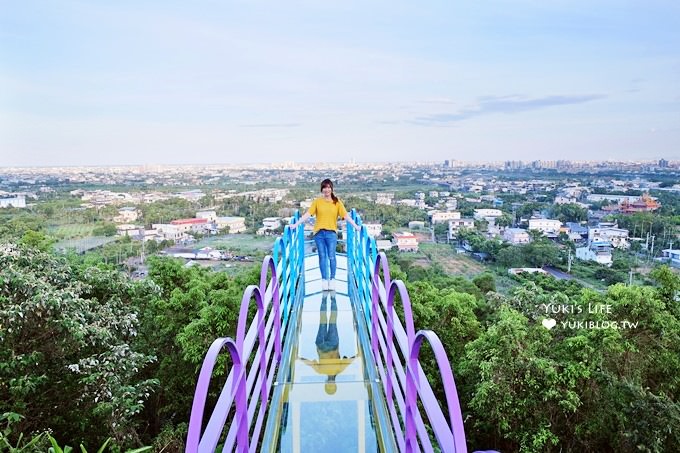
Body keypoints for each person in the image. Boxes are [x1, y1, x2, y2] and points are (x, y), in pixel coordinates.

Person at [291, 178, 359, 291]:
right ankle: (324, 280)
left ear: (332, 189)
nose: (326, 190)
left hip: (331, 233)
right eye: (324, 187)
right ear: (322, 189)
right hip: (319, 234)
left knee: (332, 256)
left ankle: (332, 279)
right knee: (322, 256)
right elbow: (308, 214)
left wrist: (356, 226)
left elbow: (346, 216)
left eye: (328, 187)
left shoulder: (337, 202)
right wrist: (296, 224)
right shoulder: (317, 201)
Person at [300, 292, 356, 395]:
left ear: (326, 384)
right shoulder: (338, 370)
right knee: (332, 320)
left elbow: (310, 364)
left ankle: (325, 299)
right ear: (335, 384)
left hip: (321, 345)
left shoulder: (321, 371)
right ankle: (332, 299)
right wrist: (358, 356)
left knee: (323, 320)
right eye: (332, 386)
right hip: (333, 344)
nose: (330, 384)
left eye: (329, 386)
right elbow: (349, 361)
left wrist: (299, 359)